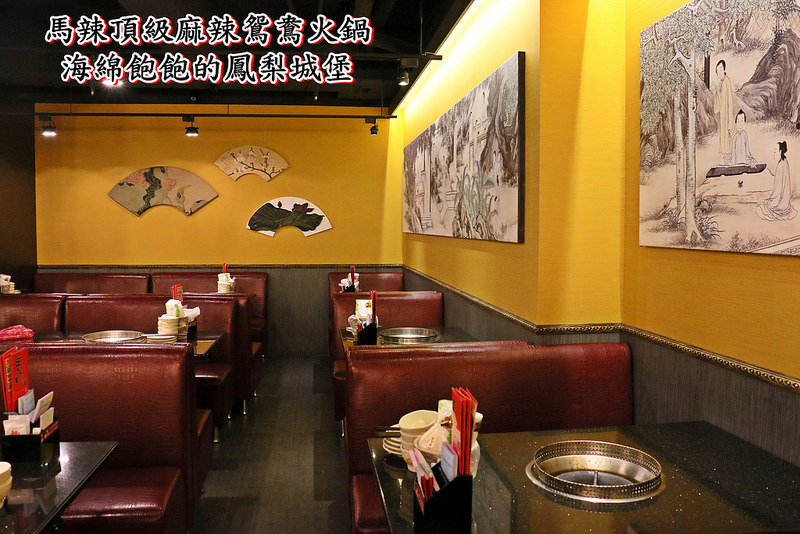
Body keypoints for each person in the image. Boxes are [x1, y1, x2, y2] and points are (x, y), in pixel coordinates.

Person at [756, 141, 797, 221]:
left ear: (780, 151)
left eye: (775, 150)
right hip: (782, 199)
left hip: (780, 200)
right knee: (762, 206)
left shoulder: (782, 163)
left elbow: (779, 187)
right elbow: (777, 175)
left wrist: (774, 199)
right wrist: (767, 167)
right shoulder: (783, 162)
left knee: (761, 207)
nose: (774, 152)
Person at [713, 60, 735, 166]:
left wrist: (730, 119)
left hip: (727, 113)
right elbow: (717, 103)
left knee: (728, 135)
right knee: (723, 136)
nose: (720, 72)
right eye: (718, 71)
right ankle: (723, 157)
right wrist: (716, 92)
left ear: (724, 69)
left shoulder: (727, 82)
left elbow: (729, 101)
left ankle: (728, 158)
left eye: (721, 69)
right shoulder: (720, 83)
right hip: (722, 114)